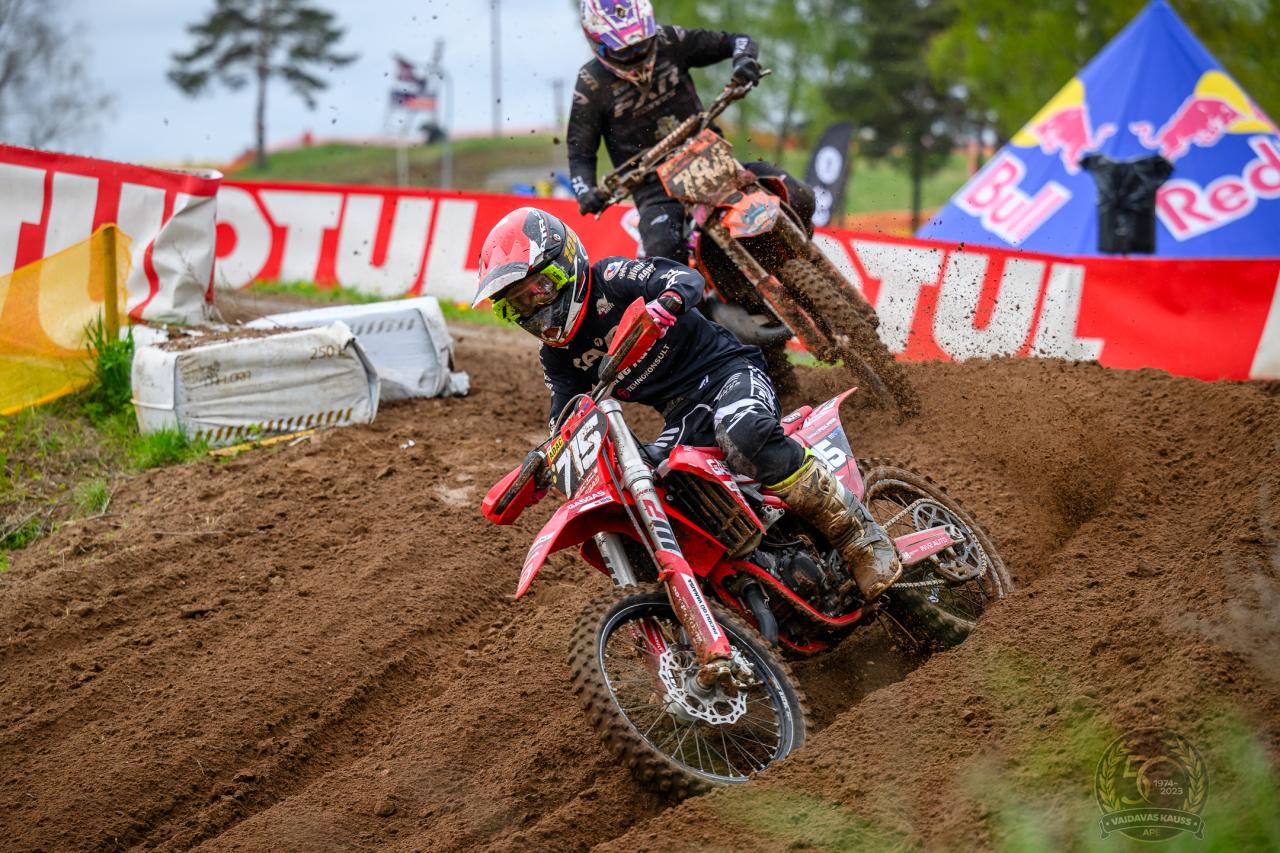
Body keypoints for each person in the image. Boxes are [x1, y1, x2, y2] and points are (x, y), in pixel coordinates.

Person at [472, 207, 900, 601]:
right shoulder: (557, 357)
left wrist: (666, 304)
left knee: (743, 432)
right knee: (646, 481)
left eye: (539, 290)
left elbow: (685, 278)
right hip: (684, 416)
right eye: (517, 305)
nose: (533, 309)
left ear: (567, 264)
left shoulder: (612, 278)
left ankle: (859, 536)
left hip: (729, 375)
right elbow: (566, 416)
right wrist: (546, 461)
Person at [567, 0, 814, 264]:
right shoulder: (591, 85)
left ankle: (801, 260)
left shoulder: (669, 40)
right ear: (597, 45)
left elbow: (737, 40)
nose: (636, 56)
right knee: (664, 253)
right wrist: (585, 191)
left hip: (712, 157)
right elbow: (580, 152)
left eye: (641, 45)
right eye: (625, 51)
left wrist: (744, 61)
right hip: (654, 187)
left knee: (801, 196)